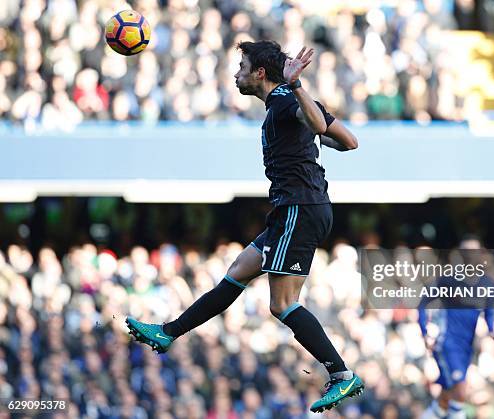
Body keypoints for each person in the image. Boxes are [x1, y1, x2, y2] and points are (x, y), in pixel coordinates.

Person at [126, 40, 363, 413]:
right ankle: (169, 332)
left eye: (241, 67)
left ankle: (341, 374)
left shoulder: (287, 98)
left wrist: (300, 93)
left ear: (260, 73)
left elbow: (320, 125)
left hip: (300, 208)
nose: (237, 74)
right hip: (295, 208)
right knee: (238, 271)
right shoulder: (283, 104)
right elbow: (348, 142)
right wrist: (310, 138)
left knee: (282, 305)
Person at [418, 237, 494, 419]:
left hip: (467, 347)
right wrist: (424, 331)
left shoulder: (487, 284)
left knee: (446, 397)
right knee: (461, 391)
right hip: (447, 343)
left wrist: (492, 331)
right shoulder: (448, 280)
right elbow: (423, 303)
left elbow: (490, 312)